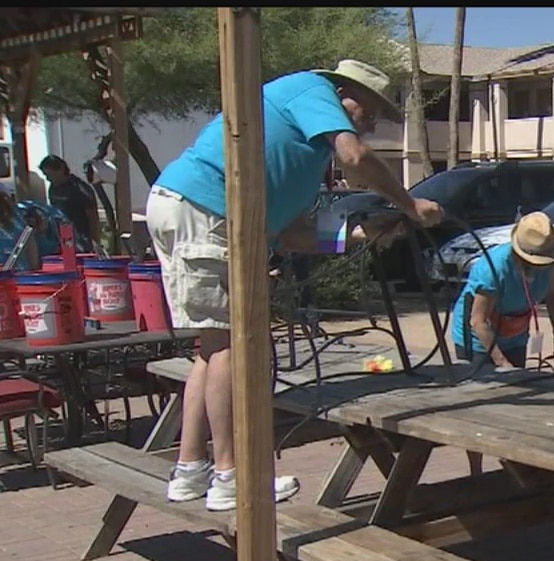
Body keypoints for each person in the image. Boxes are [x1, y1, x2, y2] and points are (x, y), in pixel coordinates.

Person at [148, 58, 443, 512]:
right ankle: (232, 477)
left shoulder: (307, 151)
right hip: (206, 212)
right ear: (345, 95)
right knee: (234, 347)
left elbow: (293, 235)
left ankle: (190, 470)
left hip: (195, 210)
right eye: (370, 113)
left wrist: (365, 233)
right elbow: (356, 158)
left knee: (213, 348)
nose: (370, 125)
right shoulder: (311, 90)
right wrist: (410, 204)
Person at [451, 210, 554, 477]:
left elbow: (552, 296)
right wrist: (502, 363)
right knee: (479, 407)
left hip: (516, 331)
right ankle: (476, 472)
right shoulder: (492, 267)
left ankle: (514, 467)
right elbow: (478, 321)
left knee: (517, 401)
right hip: (478, 338)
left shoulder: (549, 261)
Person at [39, 155, 101, 252]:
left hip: (80, 239)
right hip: (62, 237)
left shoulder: (80, 188)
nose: (48, 179)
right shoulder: (53, 189)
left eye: (50, 175)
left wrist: (95, 242)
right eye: (46, 175)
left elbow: (93, 217)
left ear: (61, 169)